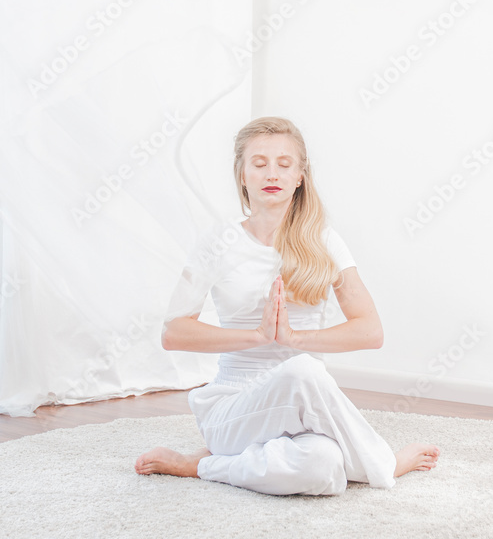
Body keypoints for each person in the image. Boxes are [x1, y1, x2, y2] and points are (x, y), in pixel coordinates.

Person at [134, 116, 439, 495]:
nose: (271, 174)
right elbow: (174, 332)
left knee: (322, 466)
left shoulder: (324, 240)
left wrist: (293, 338)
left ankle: (199, 465)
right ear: (242, 175)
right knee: (302, 371)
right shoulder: (218, 242)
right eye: (259, 163)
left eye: (284, 164)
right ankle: (386, 464)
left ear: (299, 176)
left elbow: (370, 331)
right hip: (233, 412)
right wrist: (258, 336)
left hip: (305, 413)